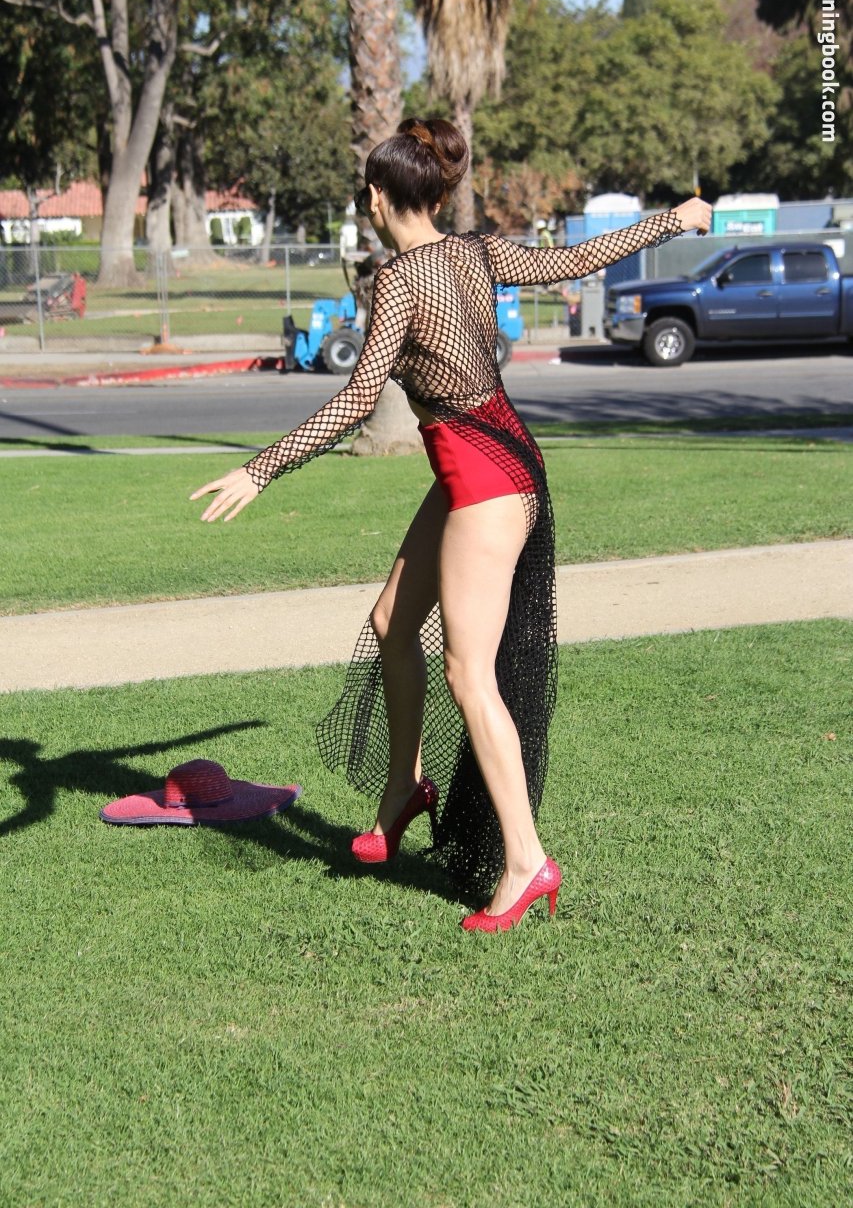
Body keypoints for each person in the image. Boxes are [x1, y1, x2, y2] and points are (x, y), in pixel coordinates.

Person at [191, 119, 712, 931]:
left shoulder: (398, 280)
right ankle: (405, 785)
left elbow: (359, 398)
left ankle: (525, 862)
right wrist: (672, 219)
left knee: (470, 675)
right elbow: (576, 259)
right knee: (392, 624)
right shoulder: (475, 252)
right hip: (494, 459)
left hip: (483, 481)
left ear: (377, 196)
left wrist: (260, 469)